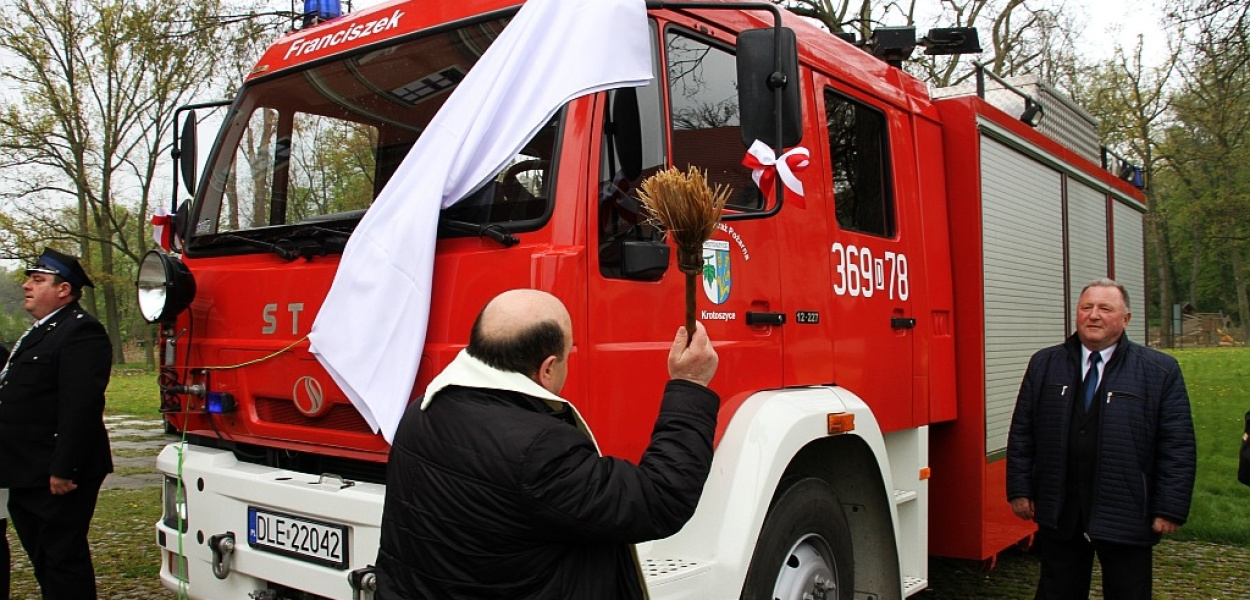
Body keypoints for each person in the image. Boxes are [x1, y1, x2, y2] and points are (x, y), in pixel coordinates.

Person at [375, 288, 719, 600]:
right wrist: (690, 384)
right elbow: (659, 499)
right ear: (548, 369)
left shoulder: (421, 410)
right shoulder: (539, 449)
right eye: (568, 355)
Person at [1007, 278, 1196, 600]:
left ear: (1125, 318)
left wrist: (1170, 507)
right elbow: (1023, 432)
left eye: (1105, 308)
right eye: (1086, 307)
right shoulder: (1044, 364)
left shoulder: (1159, 371)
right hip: (1061, 510)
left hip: (1126, 509)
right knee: (1057, 590)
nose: (1093, 315)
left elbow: (1177, 444)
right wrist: (1020, 489)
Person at [0, 248, 113, 600]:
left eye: (37, 280)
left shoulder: (80, 332)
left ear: (63, 290)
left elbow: (80, 406)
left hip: (55, 473)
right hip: (25, 469)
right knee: (44, 559)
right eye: (28, 279)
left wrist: (65, 467)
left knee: (62, 560)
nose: (26, 287)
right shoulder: (41, 332)